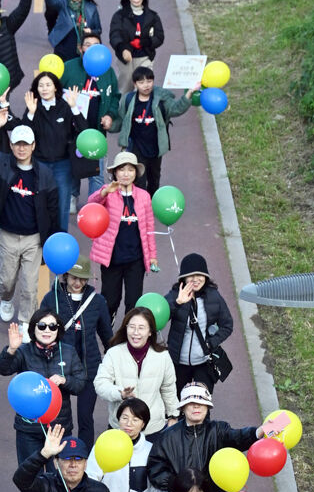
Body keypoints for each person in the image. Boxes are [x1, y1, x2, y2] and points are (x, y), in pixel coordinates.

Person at [0, 310, 85, 492]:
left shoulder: (68, 351)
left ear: (59, 330)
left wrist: (64, 381)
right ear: (34, 328)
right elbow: (2, 368)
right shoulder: (24, 352)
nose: (47, 330)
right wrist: (12, 349)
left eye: (52, 326)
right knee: (31, 477)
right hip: (29, 428)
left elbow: (81, 383)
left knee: (63, 475)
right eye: (42, 326)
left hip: (59, 426)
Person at [0, 125, 60, 328]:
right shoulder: (2, 164)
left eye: (26, 144)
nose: (21, 148)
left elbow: (53, 207)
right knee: (6, 280)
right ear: (11, 145)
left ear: (33, 145)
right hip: (7, 235)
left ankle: (26, 321)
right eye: (17, 144)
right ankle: (7, 299)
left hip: (33, 239)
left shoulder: (44, 174)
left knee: (30, 286)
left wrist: (54, 237)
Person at [147, 384, 262, 492]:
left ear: (207, 407)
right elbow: (156, 467)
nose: (196, 406)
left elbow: (238, 438)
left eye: (201, 402)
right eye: (191, 402)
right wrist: (178, 485)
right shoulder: (167, 437)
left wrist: (258, 432)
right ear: (183, 408)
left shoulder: (218, 429)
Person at [38, 260, 110, 447]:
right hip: (59, 368)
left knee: (86, 418)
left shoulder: (97, 301)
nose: (78, 282)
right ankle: (61, 455)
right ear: (66, 276)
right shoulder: (51, 298)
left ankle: (83, 457)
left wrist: (113, 364)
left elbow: (107, 336)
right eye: (74, 277)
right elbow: (39, 330)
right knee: (59, 419)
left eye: (83, 279)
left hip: (89, 368)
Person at [86, 151, 157, 324]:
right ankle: (108, 325)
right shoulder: (108, 193)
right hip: (112, 258)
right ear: (115, 173)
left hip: (136, 259)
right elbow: (90, 206)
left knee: (133, 302)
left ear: (136, 173)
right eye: (122, 170)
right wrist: (104, 192)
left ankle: (128, 333)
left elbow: (149, 228)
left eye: (130, 170)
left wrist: (153, 256)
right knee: (110, 300)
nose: (126, 174)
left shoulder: (144, 196)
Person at [96, 307, 180, 437]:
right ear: (126, 328)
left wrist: (173, 415)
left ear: (150, 332)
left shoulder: (162, 356)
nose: (136, 333)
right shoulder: (114, 353)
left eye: (141, 328)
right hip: (120, 427)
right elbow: (100, 384)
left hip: (153, 428)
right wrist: (121, 393)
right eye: (132, 327)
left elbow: (168, 388)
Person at [87, 396, 164, 492]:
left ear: (143, 424)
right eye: (124, 418)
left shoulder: (152, 451)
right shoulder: (103, 445)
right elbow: (90, 480)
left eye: (135, 419)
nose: (129, 423)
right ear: (118, 419)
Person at [20, 70, 83, 230]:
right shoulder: (33, 107)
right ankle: (39, 240)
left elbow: (84, 131)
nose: (44, 88)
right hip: (40, 165)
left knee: (62, 205)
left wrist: (74, 107)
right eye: (40, 85)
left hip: (63, 165)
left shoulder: (65, 106)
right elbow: (24, 137)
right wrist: (31, 114)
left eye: (48, 85)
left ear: (56, 87)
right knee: (39, 204)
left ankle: (61, 240)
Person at [117, 64, 191, 195]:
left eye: (149, 81)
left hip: (156, 147)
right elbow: (121, 119)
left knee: (154, 178)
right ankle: (141, 205)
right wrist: (109, 124)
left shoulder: (161, 99)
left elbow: (176, 109)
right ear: (135, 84)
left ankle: (152, 202)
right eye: (141, 82)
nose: (146, 85)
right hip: (136, 147)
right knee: (139, 179)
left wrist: (188, 94)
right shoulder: (128, 100)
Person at [165, 255, 234, 394]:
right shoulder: (175, 295)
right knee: (176, 403)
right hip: (178, 363)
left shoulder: (214, 296)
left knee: (201, 403)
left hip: (203, 362)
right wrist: (178, 303)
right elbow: (156, 320)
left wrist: (211, 343)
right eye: (191, 275)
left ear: (206, 276)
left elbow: (227, 325)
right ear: (183, 278)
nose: (195, 279)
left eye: (200, 275)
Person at [108, 0, 165, 71]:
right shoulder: (119, 16)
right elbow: (114, 35)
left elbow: (159, 37)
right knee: (126, 85)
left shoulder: (153, 16)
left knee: (144, 84)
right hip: (126, 59)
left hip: (145, 57)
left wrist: (144, 42)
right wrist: (123, 49)